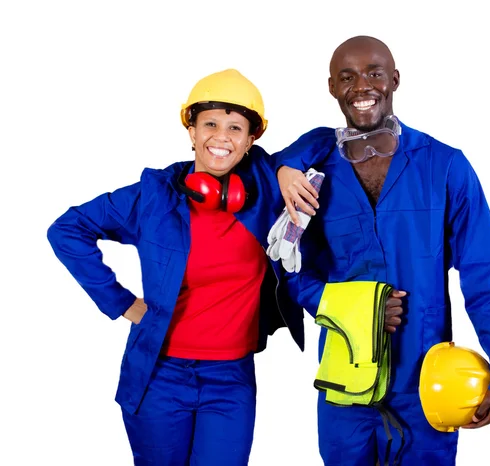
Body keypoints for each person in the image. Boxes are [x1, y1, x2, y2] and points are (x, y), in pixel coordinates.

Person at [273, 35, 490, 465]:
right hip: (343, 384)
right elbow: (289, 271)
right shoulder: (311, 176)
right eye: (347, 77)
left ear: (395, 80)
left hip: (426, 383)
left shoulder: (444, 165)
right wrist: (349, 306)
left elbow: (485, 273)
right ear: (332, 87)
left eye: (374, 73)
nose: (362, 86)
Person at [46, 68, 306, 466]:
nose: (222, 137)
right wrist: (119, 302)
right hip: (158, 374)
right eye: (211, 124)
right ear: (191, 130)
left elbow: (323, 140)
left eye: (236, 127)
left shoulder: (267, 189)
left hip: (230, 379)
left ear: (251, 139)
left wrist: (287, 167)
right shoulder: (153, 198)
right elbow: (66, 230)